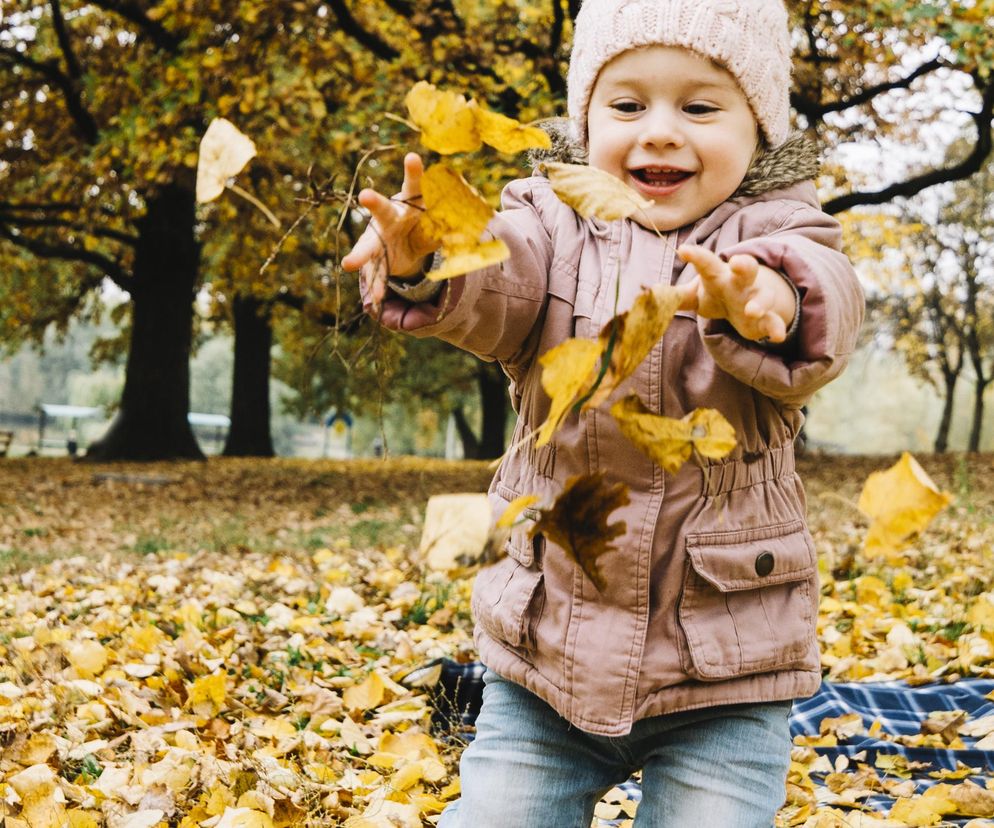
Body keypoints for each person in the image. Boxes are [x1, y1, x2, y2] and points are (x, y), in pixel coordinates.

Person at [343, 0, 864, 823]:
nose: (658, 131)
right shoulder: (548, 219)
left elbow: (828, 294)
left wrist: (770, 299)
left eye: (699, 106)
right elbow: (497, 280)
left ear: (759, 129)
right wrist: (431, 256)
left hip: (725, 670)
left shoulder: (780, 227)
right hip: (544, 661)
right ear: (586, 119)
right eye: (627, 105)